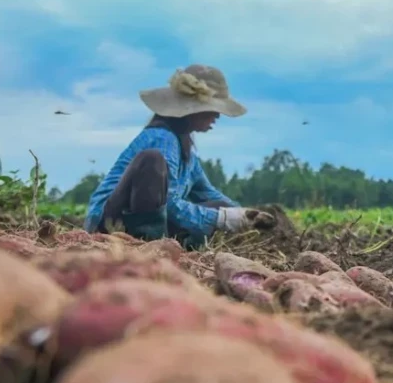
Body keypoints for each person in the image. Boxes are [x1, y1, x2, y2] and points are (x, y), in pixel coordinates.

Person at [84, 64, 270, 247]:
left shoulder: (185, 146)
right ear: (193, 109)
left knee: (219, 204)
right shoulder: (162, 139)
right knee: (151, 160)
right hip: (110, 224)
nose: (217, 116)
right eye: (213, 109)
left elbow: (207, 192)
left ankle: (162, 242)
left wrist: (244, 214)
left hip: (147, 219)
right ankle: (149, 244)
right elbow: (170, 204)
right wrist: (222, 219)